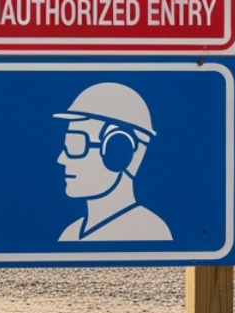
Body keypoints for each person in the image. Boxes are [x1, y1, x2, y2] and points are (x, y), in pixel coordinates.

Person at [54, 81, 169, 241]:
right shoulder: (69, 235)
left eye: (76, 145)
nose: (61, 159)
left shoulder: (152, 233)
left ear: (119, 152)